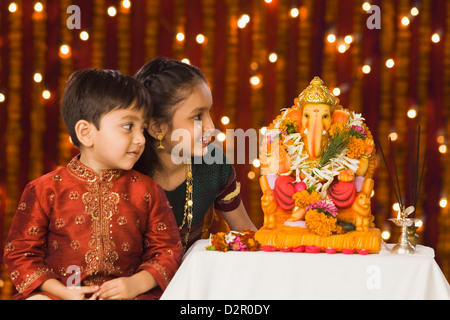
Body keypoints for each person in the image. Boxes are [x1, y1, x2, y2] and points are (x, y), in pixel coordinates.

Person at [3, 69, 183, 300]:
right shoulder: (45, 189)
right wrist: (63, 292)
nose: (140, 139)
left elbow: (168, 250)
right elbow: (21, 253)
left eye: (143, 128)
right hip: (62, 295)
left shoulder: (147, 190)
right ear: (86, 133)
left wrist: (135, 284)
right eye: (129, 126)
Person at [134, 57, 257, 251]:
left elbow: (249, 238)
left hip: (195, 279)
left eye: (209, 112)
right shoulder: (126, 171)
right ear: (157, 126)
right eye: (198, 116)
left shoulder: (213, 164)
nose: (211, 127)